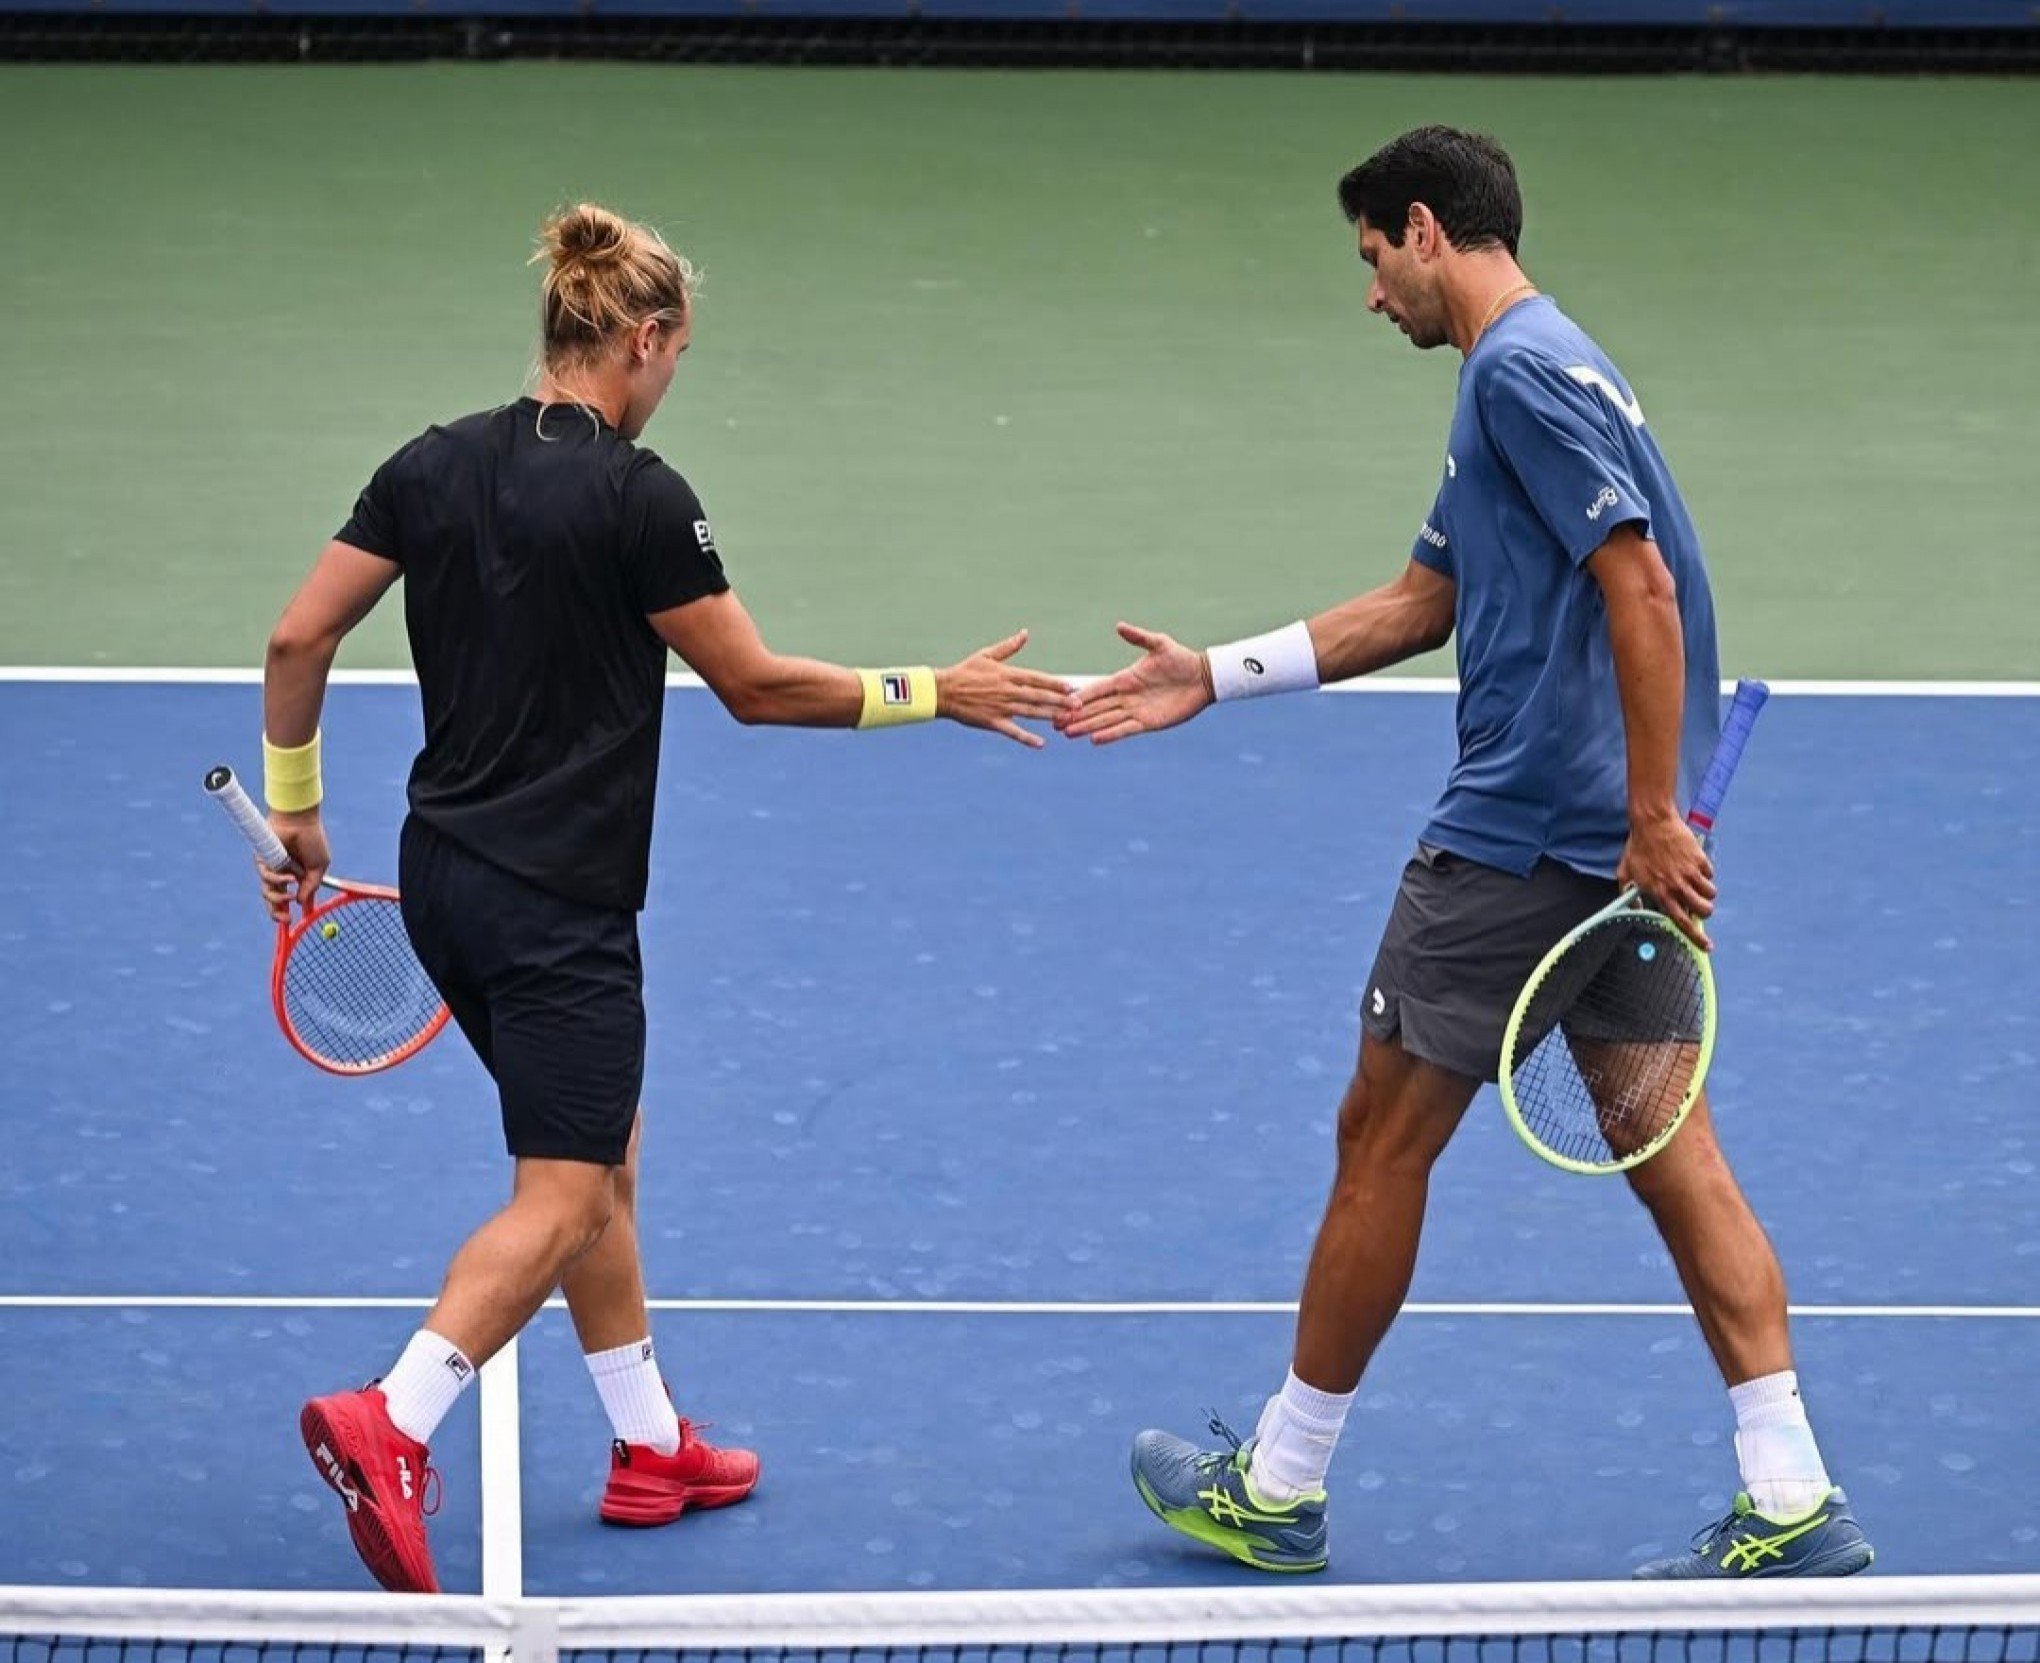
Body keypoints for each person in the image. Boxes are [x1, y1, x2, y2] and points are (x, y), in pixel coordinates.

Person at [1059, 127, 1872, 1581]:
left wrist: (1638, 815)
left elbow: (1644, 592)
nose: (1373, 296)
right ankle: (1792, 1486)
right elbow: (1417, 602)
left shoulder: (1517, 375)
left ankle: (1282, 1482)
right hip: (1607, 849)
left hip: (1529, 839)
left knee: (1381, 1141)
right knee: (1669, 1144)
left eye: (1374, 262)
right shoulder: (1541, 370)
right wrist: (1213, 674)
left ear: (1425, 230)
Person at [257, 203, 1070, 1594]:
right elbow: (755, 688)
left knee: (604, 1153)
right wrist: (939, 690)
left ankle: (648, 1446)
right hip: (559, 910)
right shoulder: (643, 500)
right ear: (639, 338)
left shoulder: (430, 463)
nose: (673, 376)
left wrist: (295, 809)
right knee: (566, 1192)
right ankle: (394, 1417)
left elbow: (297, 632)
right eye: (677, 353)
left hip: (445, 881)